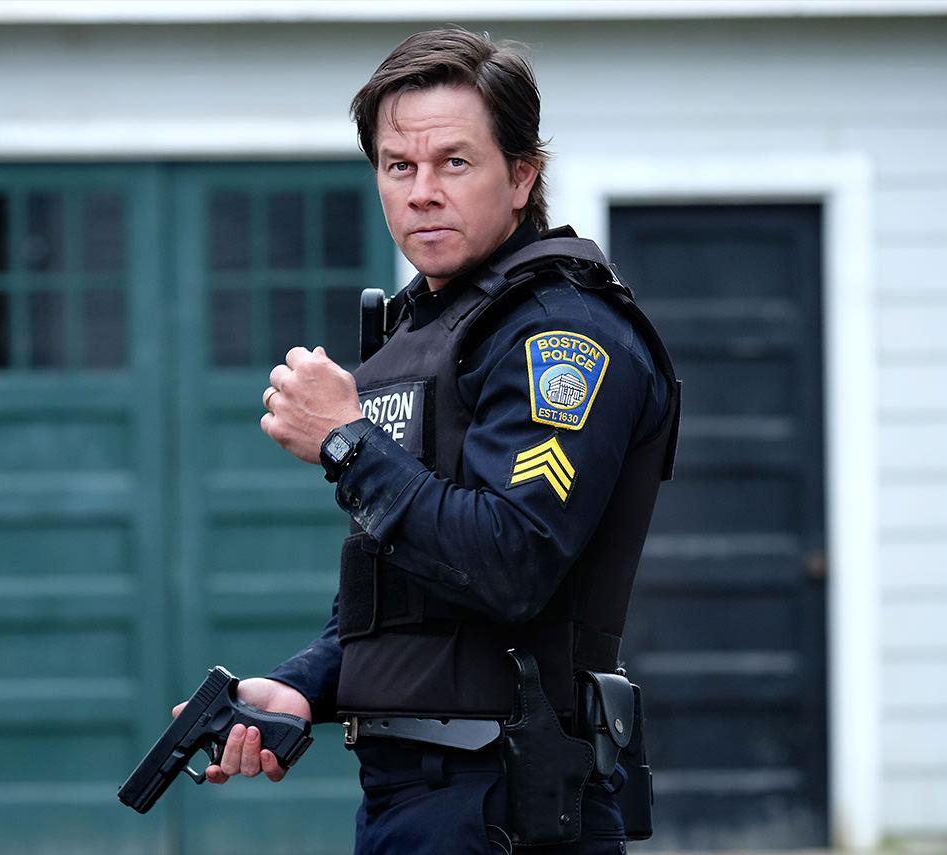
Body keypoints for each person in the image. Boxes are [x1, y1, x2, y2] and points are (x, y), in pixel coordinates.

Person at [172, 27, 678, 855]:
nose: (422, 192)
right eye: (398, 166)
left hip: (507, 797)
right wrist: (305, 685)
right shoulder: (417, 334)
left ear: (522, 175)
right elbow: (402, 587)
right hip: (410, 796)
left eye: (454, 162)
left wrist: (347, 442)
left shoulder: (562, 335)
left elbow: (510, 561)